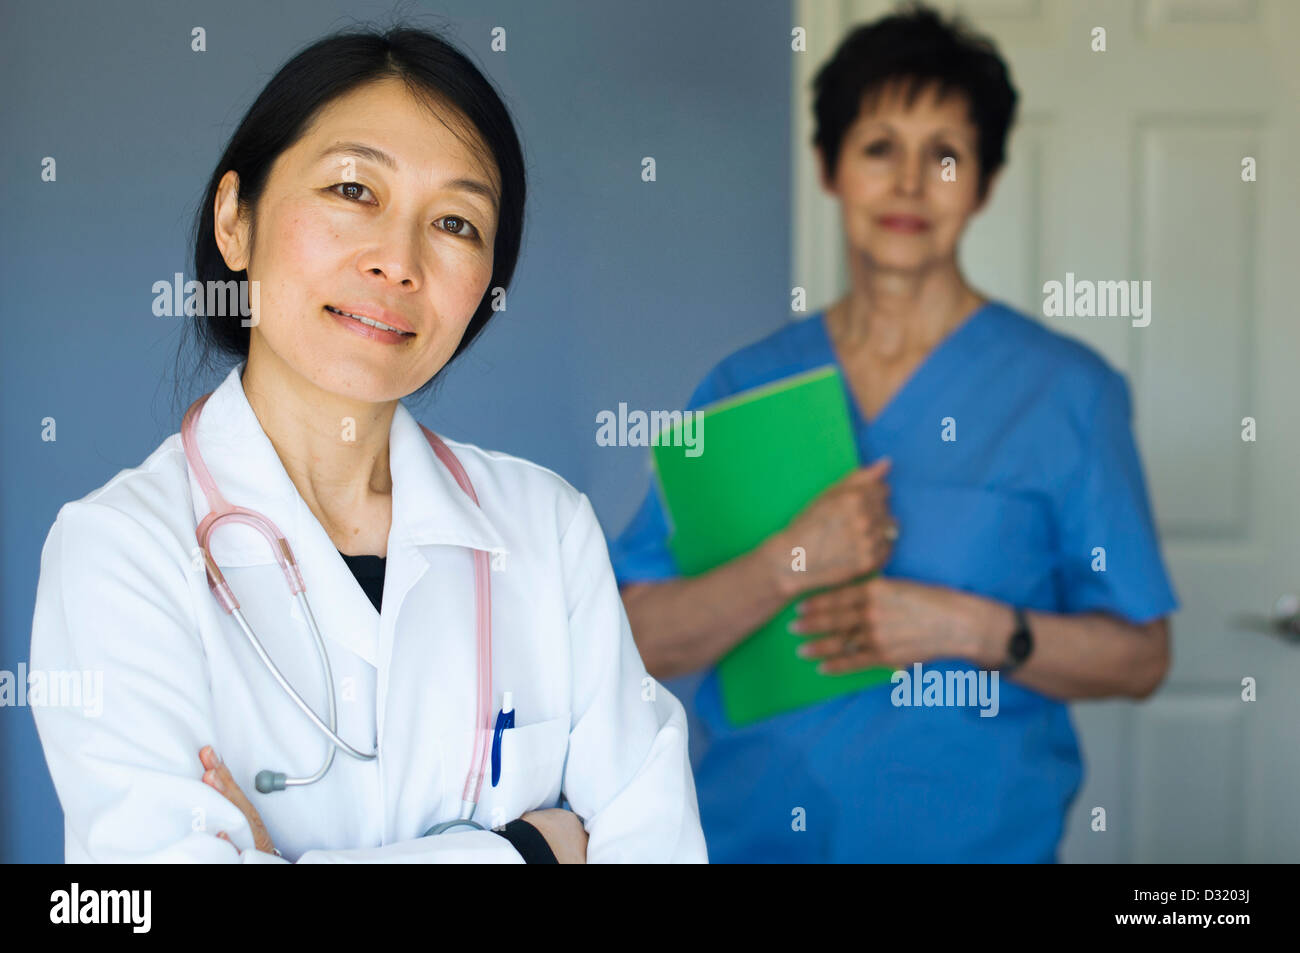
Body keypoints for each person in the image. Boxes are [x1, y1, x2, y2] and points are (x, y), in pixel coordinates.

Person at [29, 26, 706, 864]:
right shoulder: (120, 550)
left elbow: (658, 844)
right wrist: (527, 852)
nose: (398, 260)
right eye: (353, 190)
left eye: (455, 222)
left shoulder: (547, 530)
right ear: (235, 222)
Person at [610, 3, 1176, 862]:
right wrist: (793, 557)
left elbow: (1140, 657)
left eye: (944, 154)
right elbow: (636, 638)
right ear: (830, 168)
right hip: (754, 839)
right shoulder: (744, 386)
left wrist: (966, 628)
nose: (910, 182)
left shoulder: (1067, 393)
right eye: (879, 147)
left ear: (984, 182)